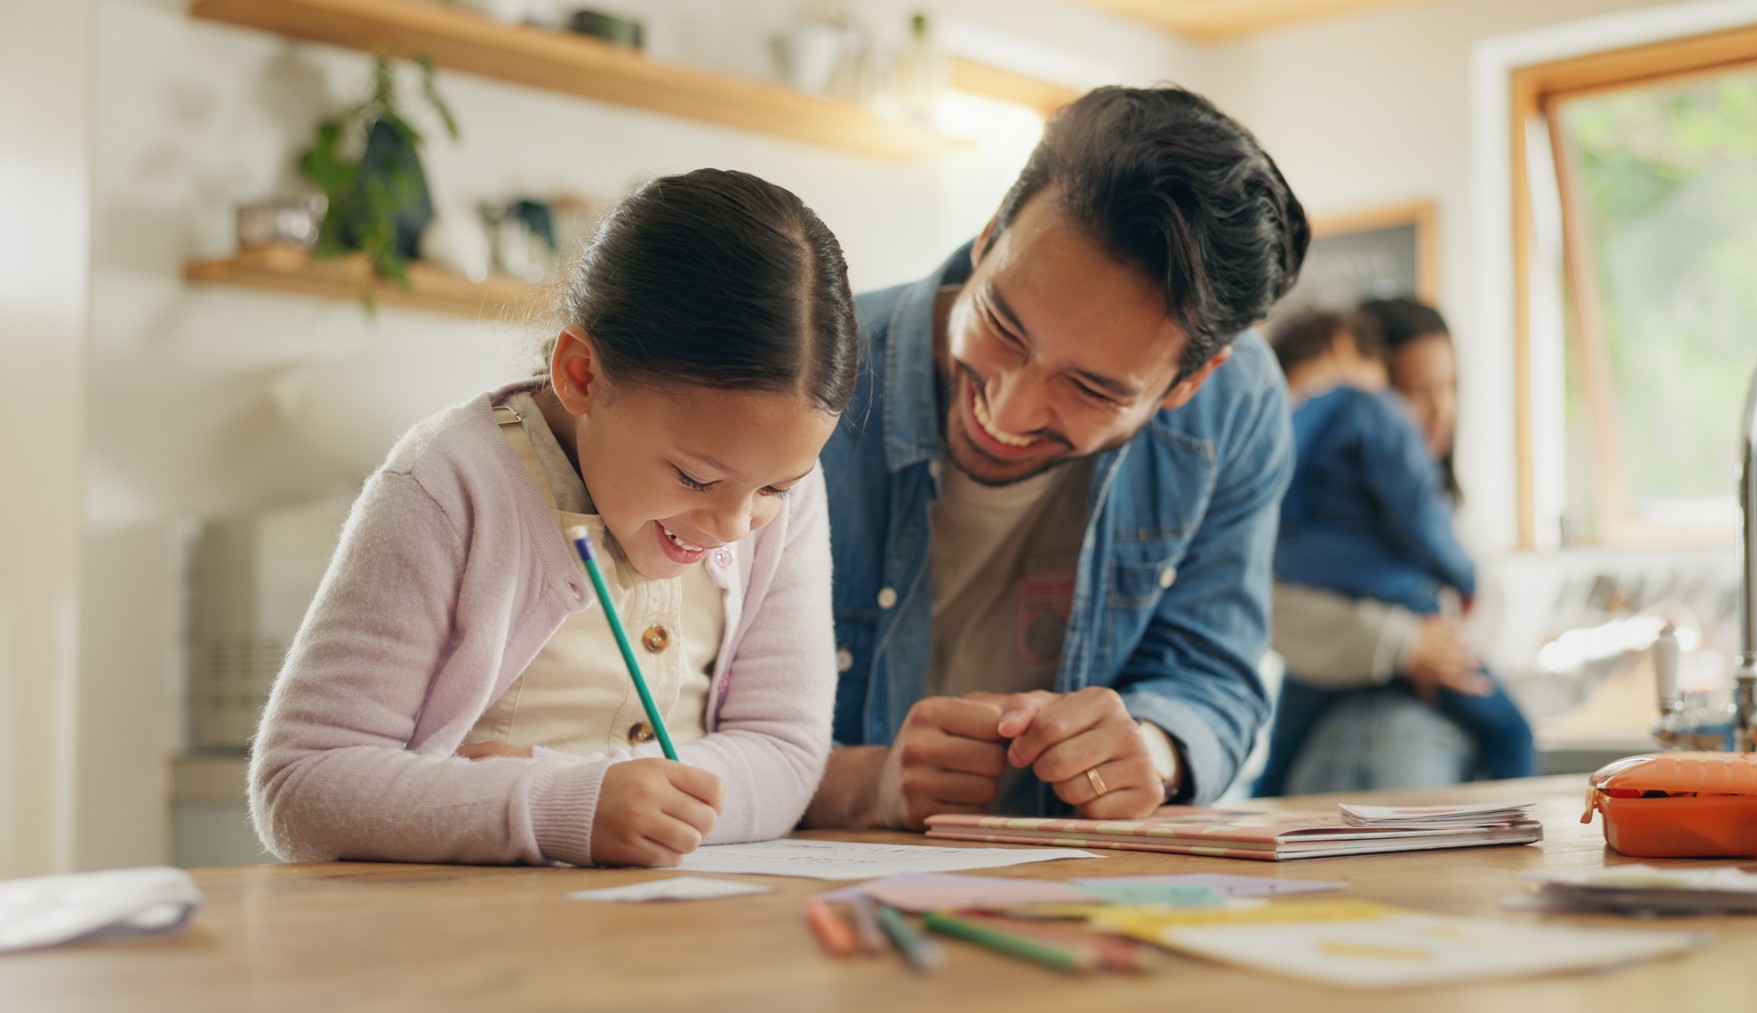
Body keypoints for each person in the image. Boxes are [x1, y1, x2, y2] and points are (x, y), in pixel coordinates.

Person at [250, 169, 857, 867]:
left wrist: (593, 791)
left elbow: (785, 751)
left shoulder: (778, 498)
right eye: (696, 477)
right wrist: (559, 804)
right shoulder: (447, 487)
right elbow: (300, 783)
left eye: (775, 488)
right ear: (581, 374)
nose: (732, 525)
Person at [804, 86, 1311, 831]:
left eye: (1091, 388)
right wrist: (865, 781)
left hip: (1080, 889)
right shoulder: (807, 375)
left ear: (1190, 380)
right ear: (987, 238)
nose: (1007, 411)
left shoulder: (1234, 407)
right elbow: (660, 723)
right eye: (1003, 325)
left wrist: (1151, 747)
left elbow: (1212, 674)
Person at [1253, 303, 1533, 797]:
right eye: (1416, 392)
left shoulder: (1446, 502)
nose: (1439, 408)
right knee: (1513, 734)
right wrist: (1408, 644)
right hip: (1369, 713)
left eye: (1449, 387)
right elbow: (1275, 609)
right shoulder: (1367, 423)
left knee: (1273, 771)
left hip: (1369, 693)